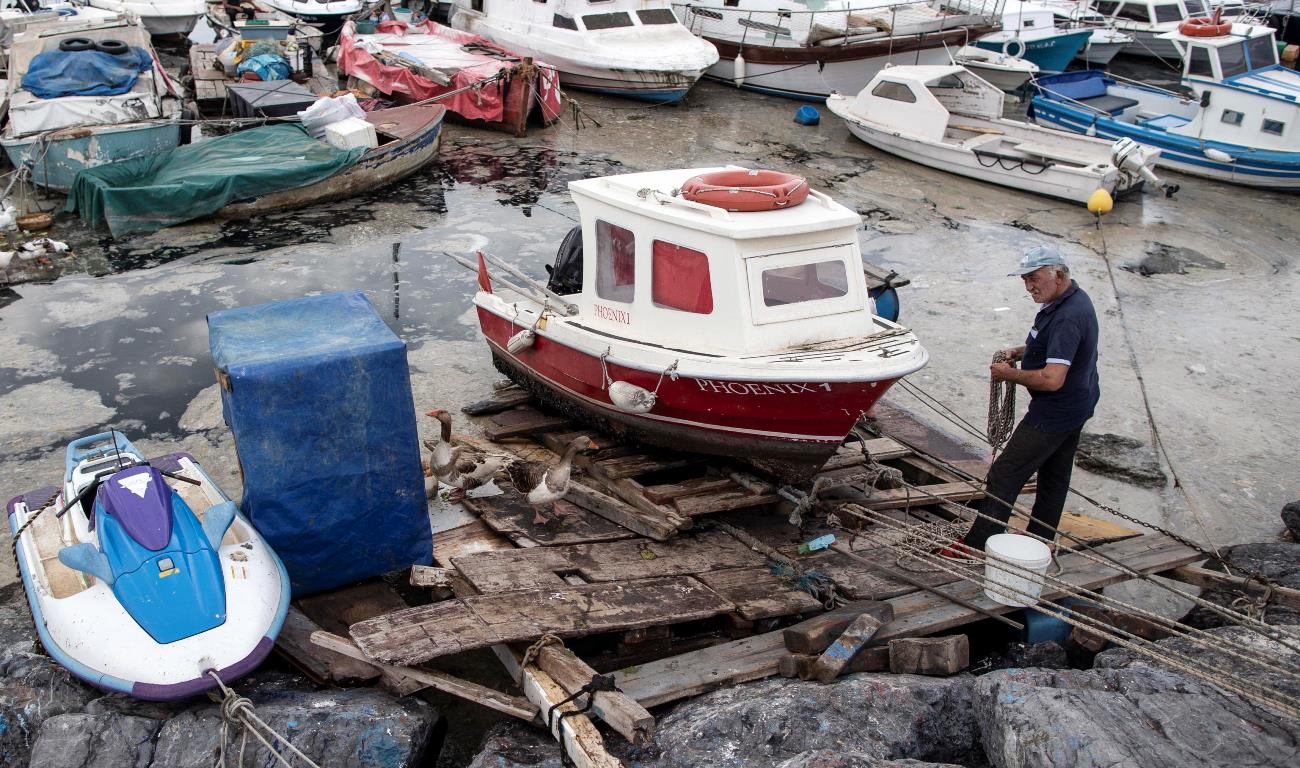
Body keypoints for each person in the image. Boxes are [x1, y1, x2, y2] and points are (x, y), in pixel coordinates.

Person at [959, 244, 1100, 553]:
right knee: (1054, 475)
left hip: (1056, 410)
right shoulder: (1070, 300)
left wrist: (1007, 374)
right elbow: (1058, 350)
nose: (1029, 287)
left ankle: (978, 545)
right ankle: (1040, 538)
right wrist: (1019, 352)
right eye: (1024, 279)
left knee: (1004, 473)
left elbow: (1051, 380)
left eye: (1034, 278)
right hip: (1079, 403)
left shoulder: (1066, 318)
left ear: (1058, 275)